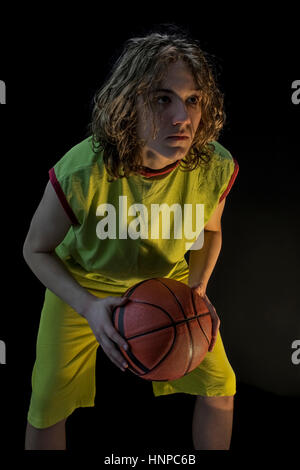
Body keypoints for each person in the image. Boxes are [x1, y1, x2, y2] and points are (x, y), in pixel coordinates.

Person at [23, 26, 239, 450]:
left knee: (220, 387)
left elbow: (211, 232)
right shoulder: (82, 169)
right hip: (85, 283)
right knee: (47, 402)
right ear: (128, 103)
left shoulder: (214, 165)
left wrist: (196, 289)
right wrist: (87, 307)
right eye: (163, 98)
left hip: (170, 284)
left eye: (192, 100)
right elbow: (35, 249)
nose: (183, 117)